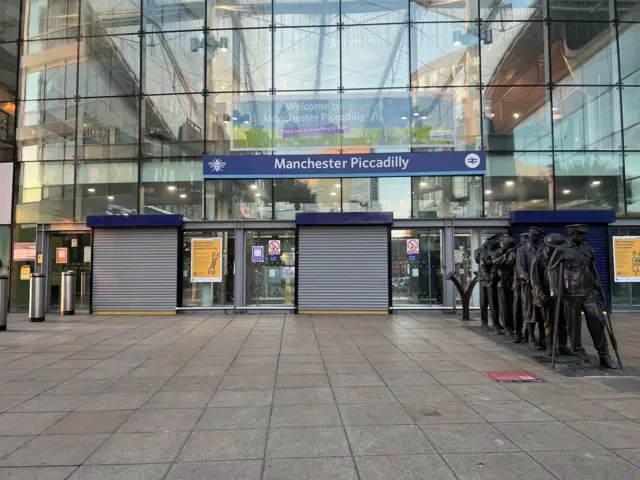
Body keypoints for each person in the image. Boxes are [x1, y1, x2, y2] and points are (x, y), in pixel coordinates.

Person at [548, 224, 616, 368]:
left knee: (598, 321)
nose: (582, 237)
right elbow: (551, 269)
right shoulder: (561, 249)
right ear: (571, 234)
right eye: (579, 234)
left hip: (589, 292)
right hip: (571, 293)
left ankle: (604, 354)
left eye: (583, 235)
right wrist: (554, 289)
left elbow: (593, 270)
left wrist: (599, 288)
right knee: (574, 326)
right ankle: (577, 352)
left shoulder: (587, 249)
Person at [530, 233, 571, 358]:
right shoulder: (538, 259)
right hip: (547, 296)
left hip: (562, 295)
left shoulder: (562, 258)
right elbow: (534, 280)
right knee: (549, 322)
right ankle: (550, 346)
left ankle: (562, 345)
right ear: (551, 247)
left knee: (563, 321)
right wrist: (541, 294)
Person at [516, 226, 545, 350]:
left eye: (536, 236)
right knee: (530, 313)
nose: (534, 238)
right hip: (528, 286)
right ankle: (531, 338)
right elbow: (521, 269)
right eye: (532, 236)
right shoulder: (522, 250)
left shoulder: (543, 249)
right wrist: (531, 281)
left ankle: (543, 338)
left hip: (542, 286)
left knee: (543, 314)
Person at [495, 236, 517, 337]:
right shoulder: (500, 253)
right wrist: (506, 254)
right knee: (504, 307)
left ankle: (514, 327)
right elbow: (495, 262)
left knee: (513, 306)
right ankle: (507, 327)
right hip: (503, 283)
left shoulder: (514, 253)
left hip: (513, 282)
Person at [485, 234, 504, 334]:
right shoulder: (486, 253)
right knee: (493, 303)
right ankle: (495, 324)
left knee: (502, 303)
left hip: (502, 280)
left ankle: (502, 323)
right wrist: (487, 276)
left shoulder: (501, 252)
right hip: (492, 281)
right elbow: (483, 267)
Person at [512, 233, 529, 343]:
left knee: (529, 310)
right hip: (519, 284)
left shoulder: (533, 250)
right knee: (517, 309)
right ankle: (517, 332)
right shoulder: (517, 250)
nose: (525, 240)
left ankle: (528, 333)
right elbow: (516, 266)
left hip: (530, 284)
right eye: (523, 238)